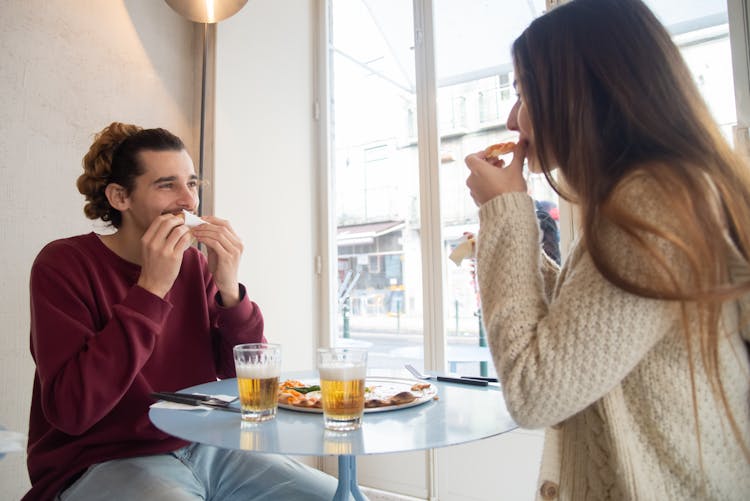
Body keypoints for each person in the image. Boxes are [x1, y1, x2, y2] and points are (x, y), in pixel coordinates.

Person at [464, 0, 750, 499]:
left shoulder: (654, 204)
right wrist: (504, 232)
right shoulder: (654, 191)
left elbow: (535, 392)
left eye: (522, 93)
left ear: (579, 93)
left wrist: (508, 219)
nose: (513, 120)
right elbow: (589, 330)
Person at [24, 123, 340, 500]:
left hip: (205, 443)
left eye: (191, 184)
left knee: (342, 497)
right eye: (166, 185)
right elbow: (72, 410)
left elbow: (241, 374)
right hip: (100, 459)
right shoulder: (64, 263)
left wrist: (229, 290)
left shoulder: (193, 265)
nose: (188, 201)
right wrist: (151, 289)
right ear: (120, 197)